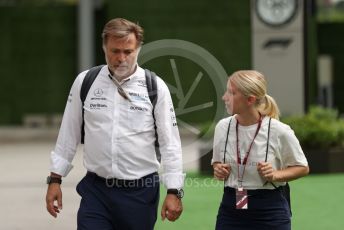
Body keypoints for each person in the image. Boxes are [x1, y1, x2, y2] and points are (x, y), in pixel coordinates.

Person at [45, 18, 185, 230]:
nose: (121, 58)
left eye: (128, 51)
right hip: (96, 191)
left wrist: (174, 191)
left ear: (138, 49)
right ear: (104, 48)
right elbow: (68, 133)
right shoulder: (86, 81)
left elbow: (170, 143)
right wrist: (55, 179)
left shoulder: (155, 86)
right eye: (114, 51)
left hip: (140, 192)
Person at [212, 70, 309, 230]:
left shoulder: (279, 130)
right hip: (231, 206)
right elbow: (216, 162)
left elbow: (302, 167)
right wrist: (218, 170)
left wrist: (275, 174)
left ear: (250, 99)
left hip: (270, 208)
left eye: (231, 93)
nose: (224, 97)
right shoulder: (223, 127)